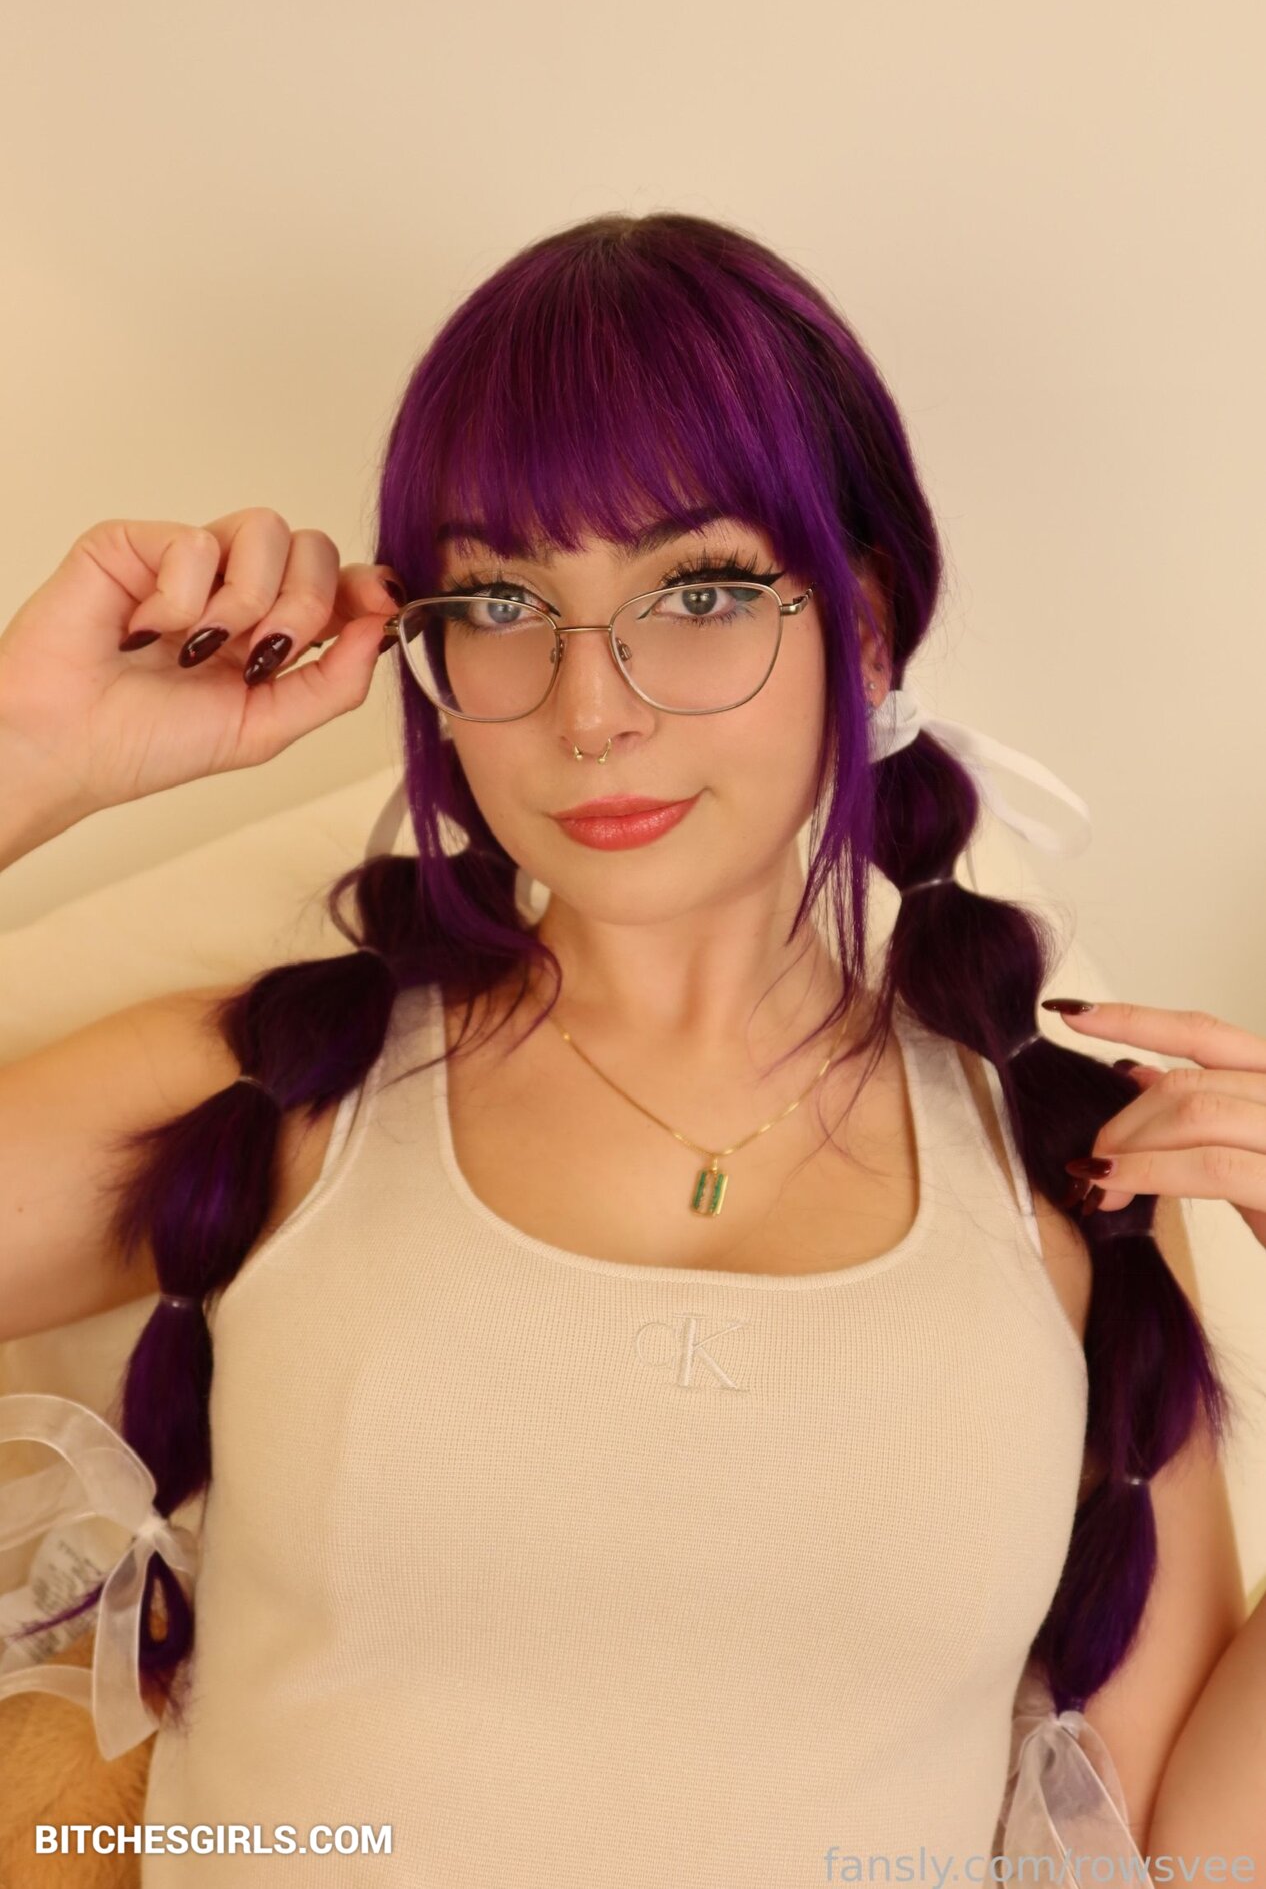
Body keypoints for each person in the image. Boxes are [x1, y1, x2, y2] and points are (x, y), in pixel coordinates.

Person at [0, 211, 1239, 1886]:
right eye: (502, 602)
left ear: (866, 626)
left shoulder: (1075, 1171)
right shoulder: (270, 1091)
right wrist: (30, 756)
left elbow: (1184, 1855)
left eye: (698, 593)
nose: (592, 710)